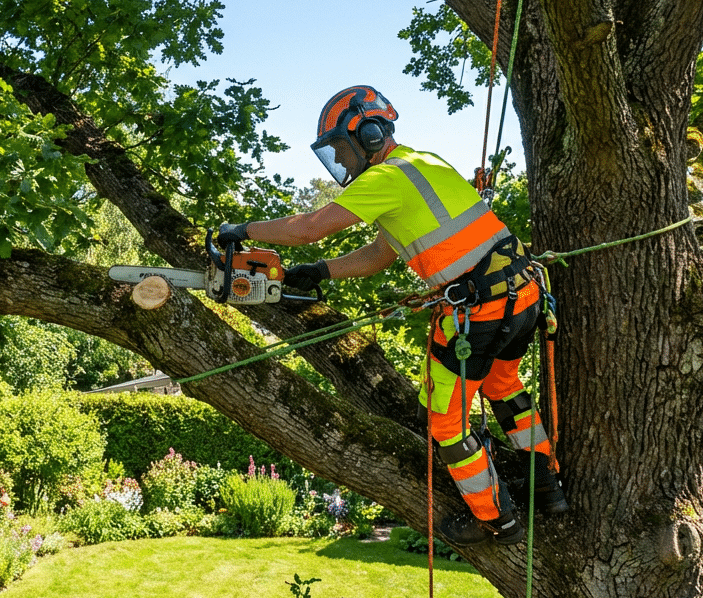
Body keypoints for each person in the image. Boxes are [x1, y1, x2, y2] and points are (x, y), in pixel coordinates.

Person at [217, 85, 567, 546]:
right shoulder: (426, 164)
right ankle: (549, 491)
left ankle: (496, 520)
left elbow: (309, 227)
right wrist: (322, 271)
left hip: (479, 310)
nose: (341, 162)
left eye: (342, 149)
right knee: (504, 387)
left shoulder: (384, 178)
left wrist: (241, 229)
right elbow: (383, 253)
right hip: (522, 297)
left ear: (371, 132)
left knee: (446, 424)